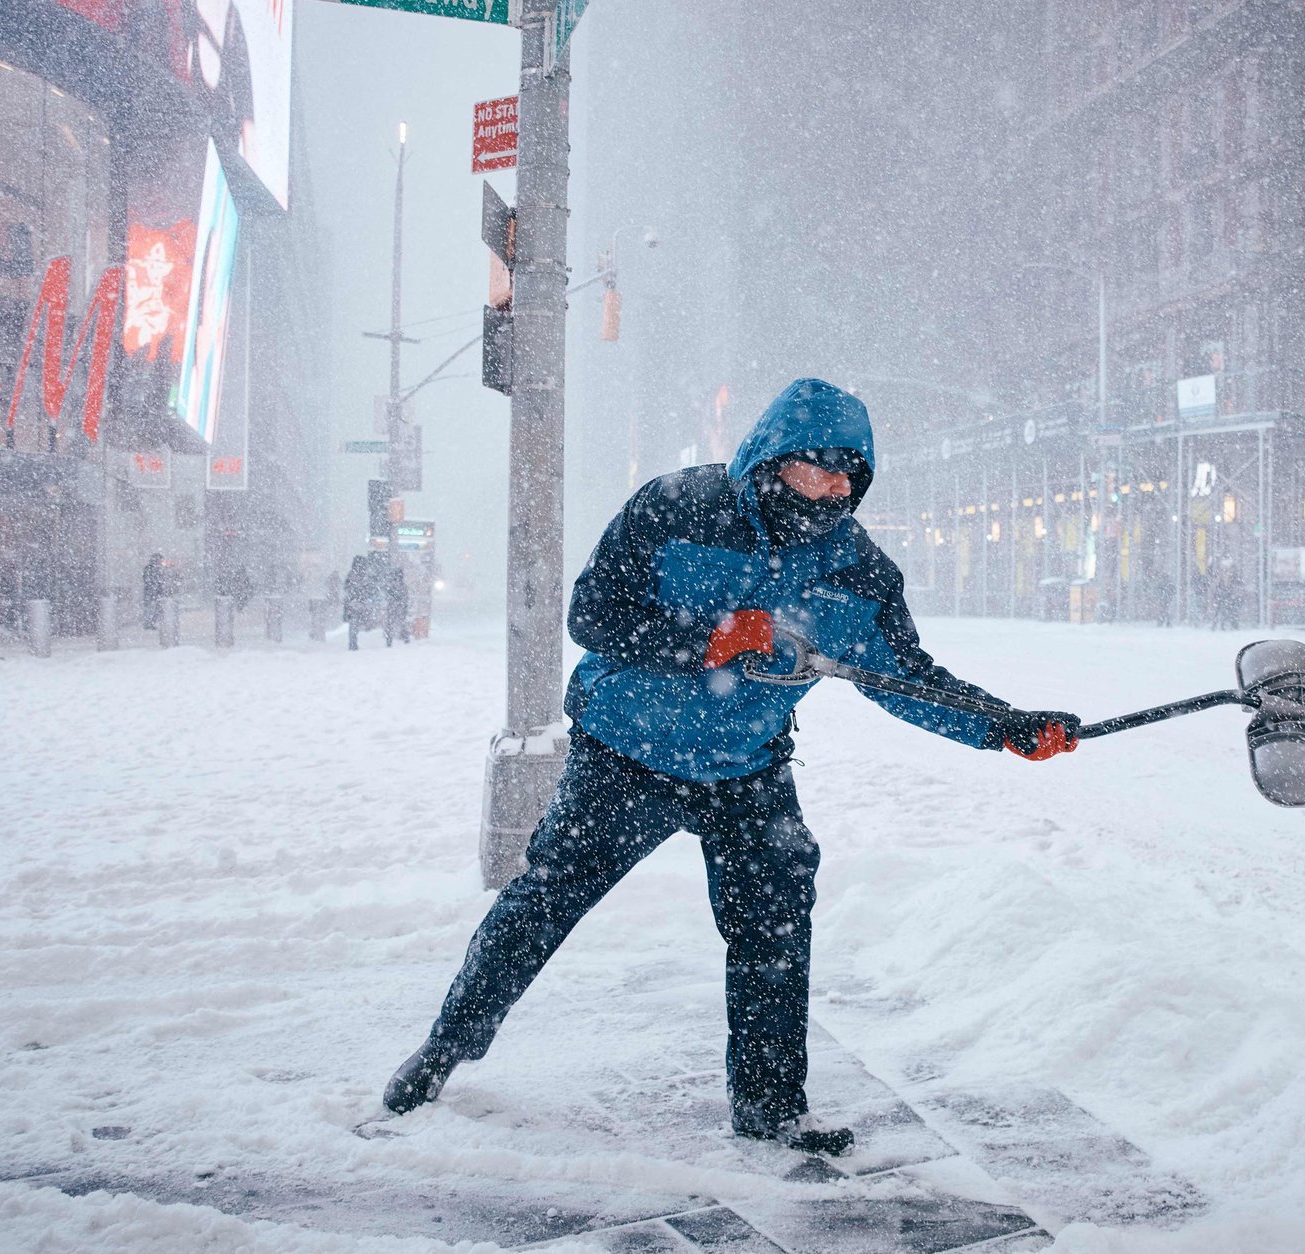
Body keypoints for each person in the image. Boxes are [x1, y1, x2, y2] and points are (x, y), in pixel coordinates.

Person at [378, 379, 1081, 1155]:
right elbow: (593, 615)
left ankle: (771, 1108)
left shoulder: (858, 571)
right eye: (823, 467)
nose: (839, 487)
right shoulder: (674, 509)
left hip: (747, 769)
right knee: (543, 903)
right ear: (775, 458)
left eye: (852, 474)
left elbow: (907, 677)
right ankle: (444, 1047)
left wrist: (1003, 727)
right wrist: (705, 640)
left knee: (775, 927)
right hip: (626, 753)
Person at [342, 554, 380, 651]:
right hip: (361, 603)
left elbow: (347, 589)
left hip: (353, 603)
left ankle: (352, 644)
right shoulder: (365, 576)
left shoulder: (351, 575)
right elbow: (371, 589)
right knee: (357, 624)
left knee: (353, 625)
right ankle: (354, 642)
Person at [142, 552, 168, 631]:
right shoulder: (151, 569)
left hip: (154, 592)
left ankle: (150, 623)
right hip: (152, 592)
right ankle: (148, 624)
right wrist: (156, 587)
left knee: (155, 609)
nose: (161, 561)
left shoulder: (155, 568)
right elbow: (149, 580)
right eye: (160, 560)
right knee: (151, 608)